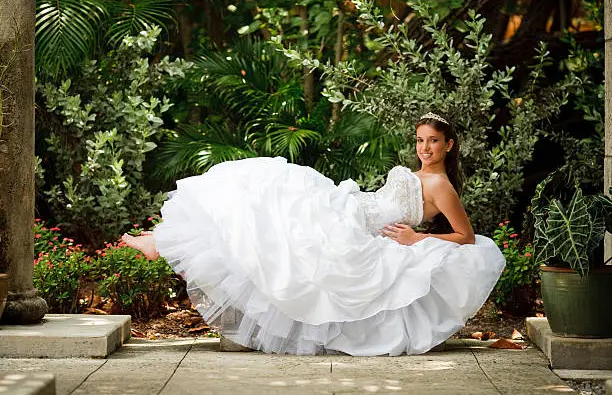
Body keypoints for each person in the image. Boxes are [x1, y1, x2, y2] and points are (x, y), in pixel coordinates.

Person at [123, 112, 505, 356]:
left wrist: (416, 240)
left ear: (448, 145)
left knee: (274, 212)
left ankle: (162, 243)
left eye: (433, 141)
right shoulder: (420, 174)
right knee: (265, 196)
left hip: (357, 227)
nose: (424, 148)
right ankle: (163, 241)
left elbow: (466, 237)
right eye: (420, 140)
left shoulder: (441, 185)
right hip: (354, 210)